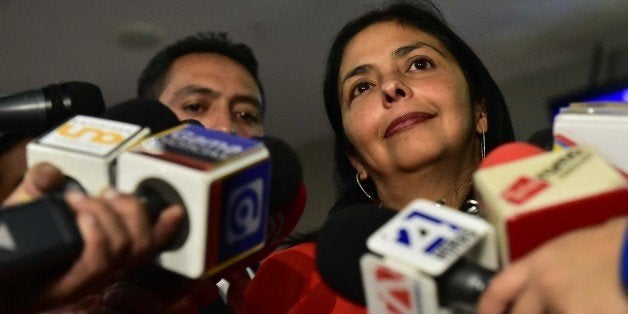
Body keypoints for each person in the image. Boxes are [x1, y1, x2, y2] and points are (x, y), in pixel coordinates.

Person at [242, 1, 627, 313]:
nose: (391, 86)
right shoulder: (296, 277)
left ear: (480, 111)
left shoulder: (579, 207)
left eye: (419, 64)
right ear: (355, 158)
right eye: (361, 87)